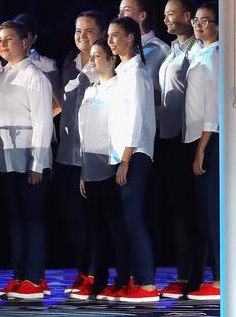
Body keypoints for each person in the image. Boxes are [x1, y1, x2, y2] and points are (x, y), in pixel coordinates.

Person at [96, 17, 157, 302]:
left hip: (134, 154)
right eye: (109, 36)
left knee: (133, 218)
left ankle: (146, 284)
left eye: (116, 35)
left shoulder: (136, 73)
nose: (111, 41)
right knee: (123, 220)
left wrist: (125, 159)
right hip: (120, 154)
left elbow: (134, 120)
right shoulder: (123, 71)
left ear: (131, 37)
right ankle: (131, 278)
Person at [0, 21, 53, 299]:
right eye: (0, 40)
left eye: (9, 39)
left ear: (25, 43)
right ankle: (19, 276)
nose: (3, 45)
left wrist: (37, 163)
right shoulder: (1, 74)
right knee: (16, 219)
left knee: (33, 219)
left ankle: (35, 277)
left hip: (30, 156)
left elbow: (43, 121)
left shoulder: (34, 75)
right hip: (8, 156)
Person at [157, 0, 204, 299]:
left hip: (189, 138)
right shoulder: (172, 50)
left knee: (193, 210)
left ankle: (199, 274)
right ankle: (184, 272)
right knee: (178, 211)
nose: (168, 20)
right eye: (165, 15)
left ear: (188, 15)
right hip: (168, 137)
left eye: (173, 14)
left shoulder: (197, 51)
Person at [56, 10, 106, 295]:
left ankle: (95, 274)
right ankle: (83, 271)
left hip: (94, 155)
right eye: (78, 31)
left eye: (88, 31)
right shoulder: (68, 64)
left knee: (94, 219)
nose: (82, 37)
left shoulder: (106, 64)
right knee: (73, 219)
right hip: (67, 154)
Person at [72, 38, 122, 300]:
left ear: (112, 59)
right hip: (90, 164)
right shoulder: (91, 89)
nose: (92, 61)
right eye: (91, 57)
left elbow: (119, 127)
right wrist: (82, 169)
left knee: (114, 225)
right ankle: (99, 278)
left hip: (109, 162)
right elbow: (84, 130)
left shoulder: (118, 88)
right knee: (95, 226)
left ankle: (123, 277)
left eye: (98, 56)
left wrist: (118, 164)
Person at [184, 1, 220, 301]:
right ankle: (205, 274)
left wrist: (202, 148)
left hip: (209, 137)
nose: (199, 25)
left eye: (206, 21)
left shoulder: (218, 54)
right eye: (196, 20)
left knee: (212, 212)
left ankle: (222, 277)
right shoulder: (197, 51)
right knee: (199, 214)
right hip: (192, 136)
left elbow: (214, 103)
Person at [118, 0, 170, 104]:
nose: (120, 16)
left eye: (126, 10)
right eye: (120, 11)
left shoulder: (161, 50)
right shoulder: (120, 50)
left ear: (142, 15)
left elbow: (166, 95)